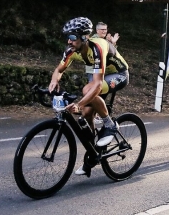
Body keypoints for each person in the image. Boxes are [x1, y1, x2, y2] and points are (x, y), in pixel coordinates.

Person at [49, 17, 130, 177]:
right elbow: (59, 70)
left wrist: (78, 104)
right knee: (86, 115)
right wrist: (53, 80)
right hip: (102, 77)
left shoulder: (97, 47)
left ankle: (110, 124)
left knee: (88, 90)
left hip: (118, 75)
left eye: (72, 38)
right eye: (68, 38)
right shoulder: (71, 51)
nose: (69, 42)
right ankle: (94, 153)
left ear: (85, 37)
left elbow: (97, 85)